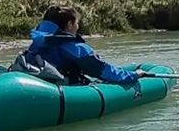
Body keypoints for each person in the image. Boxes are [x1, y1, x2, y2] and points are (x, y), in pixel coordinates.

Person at [10, 5, 144, 86]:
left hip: (36, 81)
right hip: (61, 88)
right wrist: (134, 75)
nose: (78, 26)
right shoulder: (75, 48)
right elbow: (103, 71)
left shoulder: (38, 40)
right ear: (69, 24)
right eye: (76, 23)